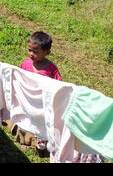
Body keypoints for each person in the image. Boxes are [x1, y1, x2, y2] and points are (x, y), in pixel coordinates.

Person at [18, 31, 104, 163]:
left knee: (41, 126)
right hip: (29, 100)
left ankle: (41, 146)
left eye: (36, 51)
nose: (31, 54)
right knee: (27, 121)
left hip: (43, 104)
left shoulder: (51, 69)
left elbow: (58, 86)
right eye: (29, 50)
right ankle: (25, 141)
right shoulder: (26, 64)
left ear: (47, 52)